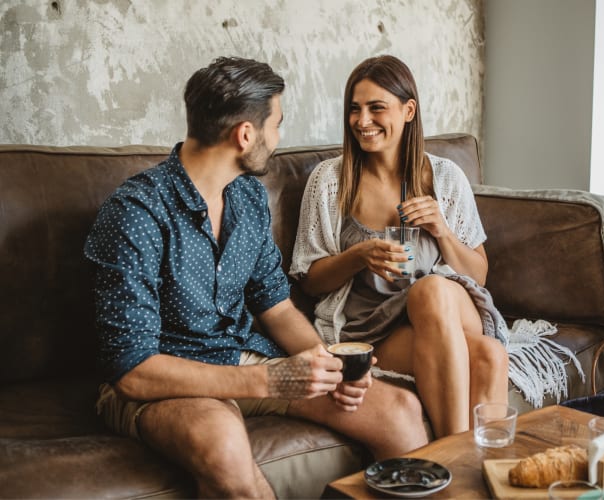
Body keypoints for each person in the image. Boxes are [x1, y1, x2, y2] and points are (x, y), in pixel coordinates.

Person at [84, 56, 428, 499]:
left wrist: (330, 363)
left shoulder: (247, 197)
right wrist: (267, 380)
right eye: (277, 125)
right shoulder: (135, 214)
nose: (278, 138)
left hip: (241, 356)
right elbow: (131, 370)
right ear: (245, 135)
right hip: (166, 377)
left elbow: (277, 306)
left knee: (398, 409)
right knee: (223, 444)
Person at [290, 55, 510, 439]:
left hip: (448, 309)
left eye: (377, 108)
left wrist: (441, 230)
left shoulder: (444, 177)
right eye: (355, 109)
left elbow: (478, 275)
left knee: (431, 290)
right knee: (489, 356)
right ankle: (472, 472)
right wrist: (358, 256)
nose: (362, 121)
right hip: (374, 328)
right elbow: (309, 281)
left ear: (408, 110)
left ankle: (449, 461)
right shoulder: (329, 181)